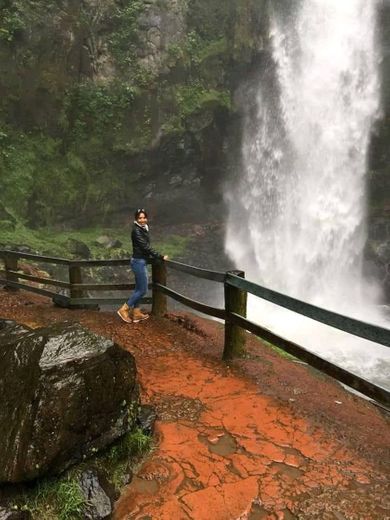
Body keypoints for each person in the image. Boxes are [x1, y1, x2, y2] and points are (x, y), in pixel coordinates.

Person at [117, 209, 168, 323]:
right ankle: (124, 309)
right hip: (138, 262)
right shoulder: (137, 231)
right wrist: (160, 256)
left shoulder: (143, 229)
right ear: (136, 219)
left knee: (138, 289)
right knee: (143, 290)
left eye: (144, 217)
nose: (142, 219)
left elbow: (144, 247)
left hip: (140, 261)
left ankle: (136, 313)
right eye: (140, 218)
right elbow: (145, 247)